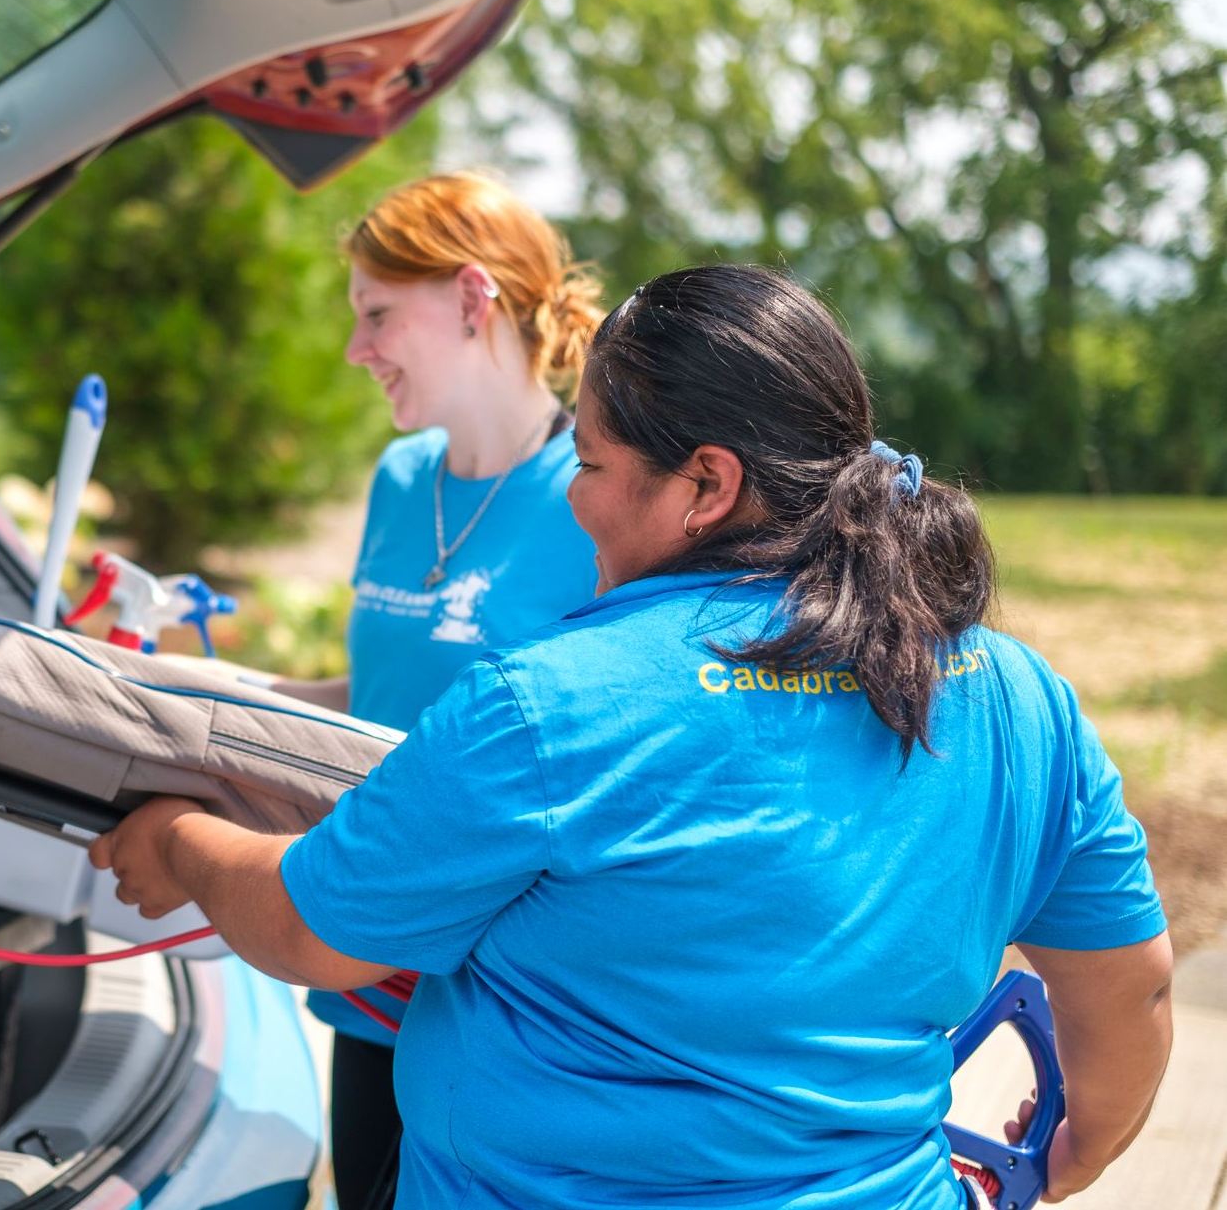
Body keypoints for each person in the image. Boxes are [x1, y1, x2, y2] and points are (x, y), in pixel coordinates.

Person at [91, 265, 1173, 1209]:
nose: (572, 501)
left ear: (706, 483)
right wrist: (1079, 1148)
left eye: (592, 464)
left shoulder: (550, 706)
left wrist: (181, 838)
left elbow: (308, 930)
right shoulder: (1019, 694)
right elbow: (1130, 988)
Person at [245, 172, 605, 1208]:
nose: (356, 350)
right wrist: (204, 697)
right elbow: (380, 689)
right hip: (362, 970)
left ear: (469, 297)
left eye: (375, 314)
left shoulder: (590, 497)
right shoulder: (400, 479)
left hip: (501, 1008)